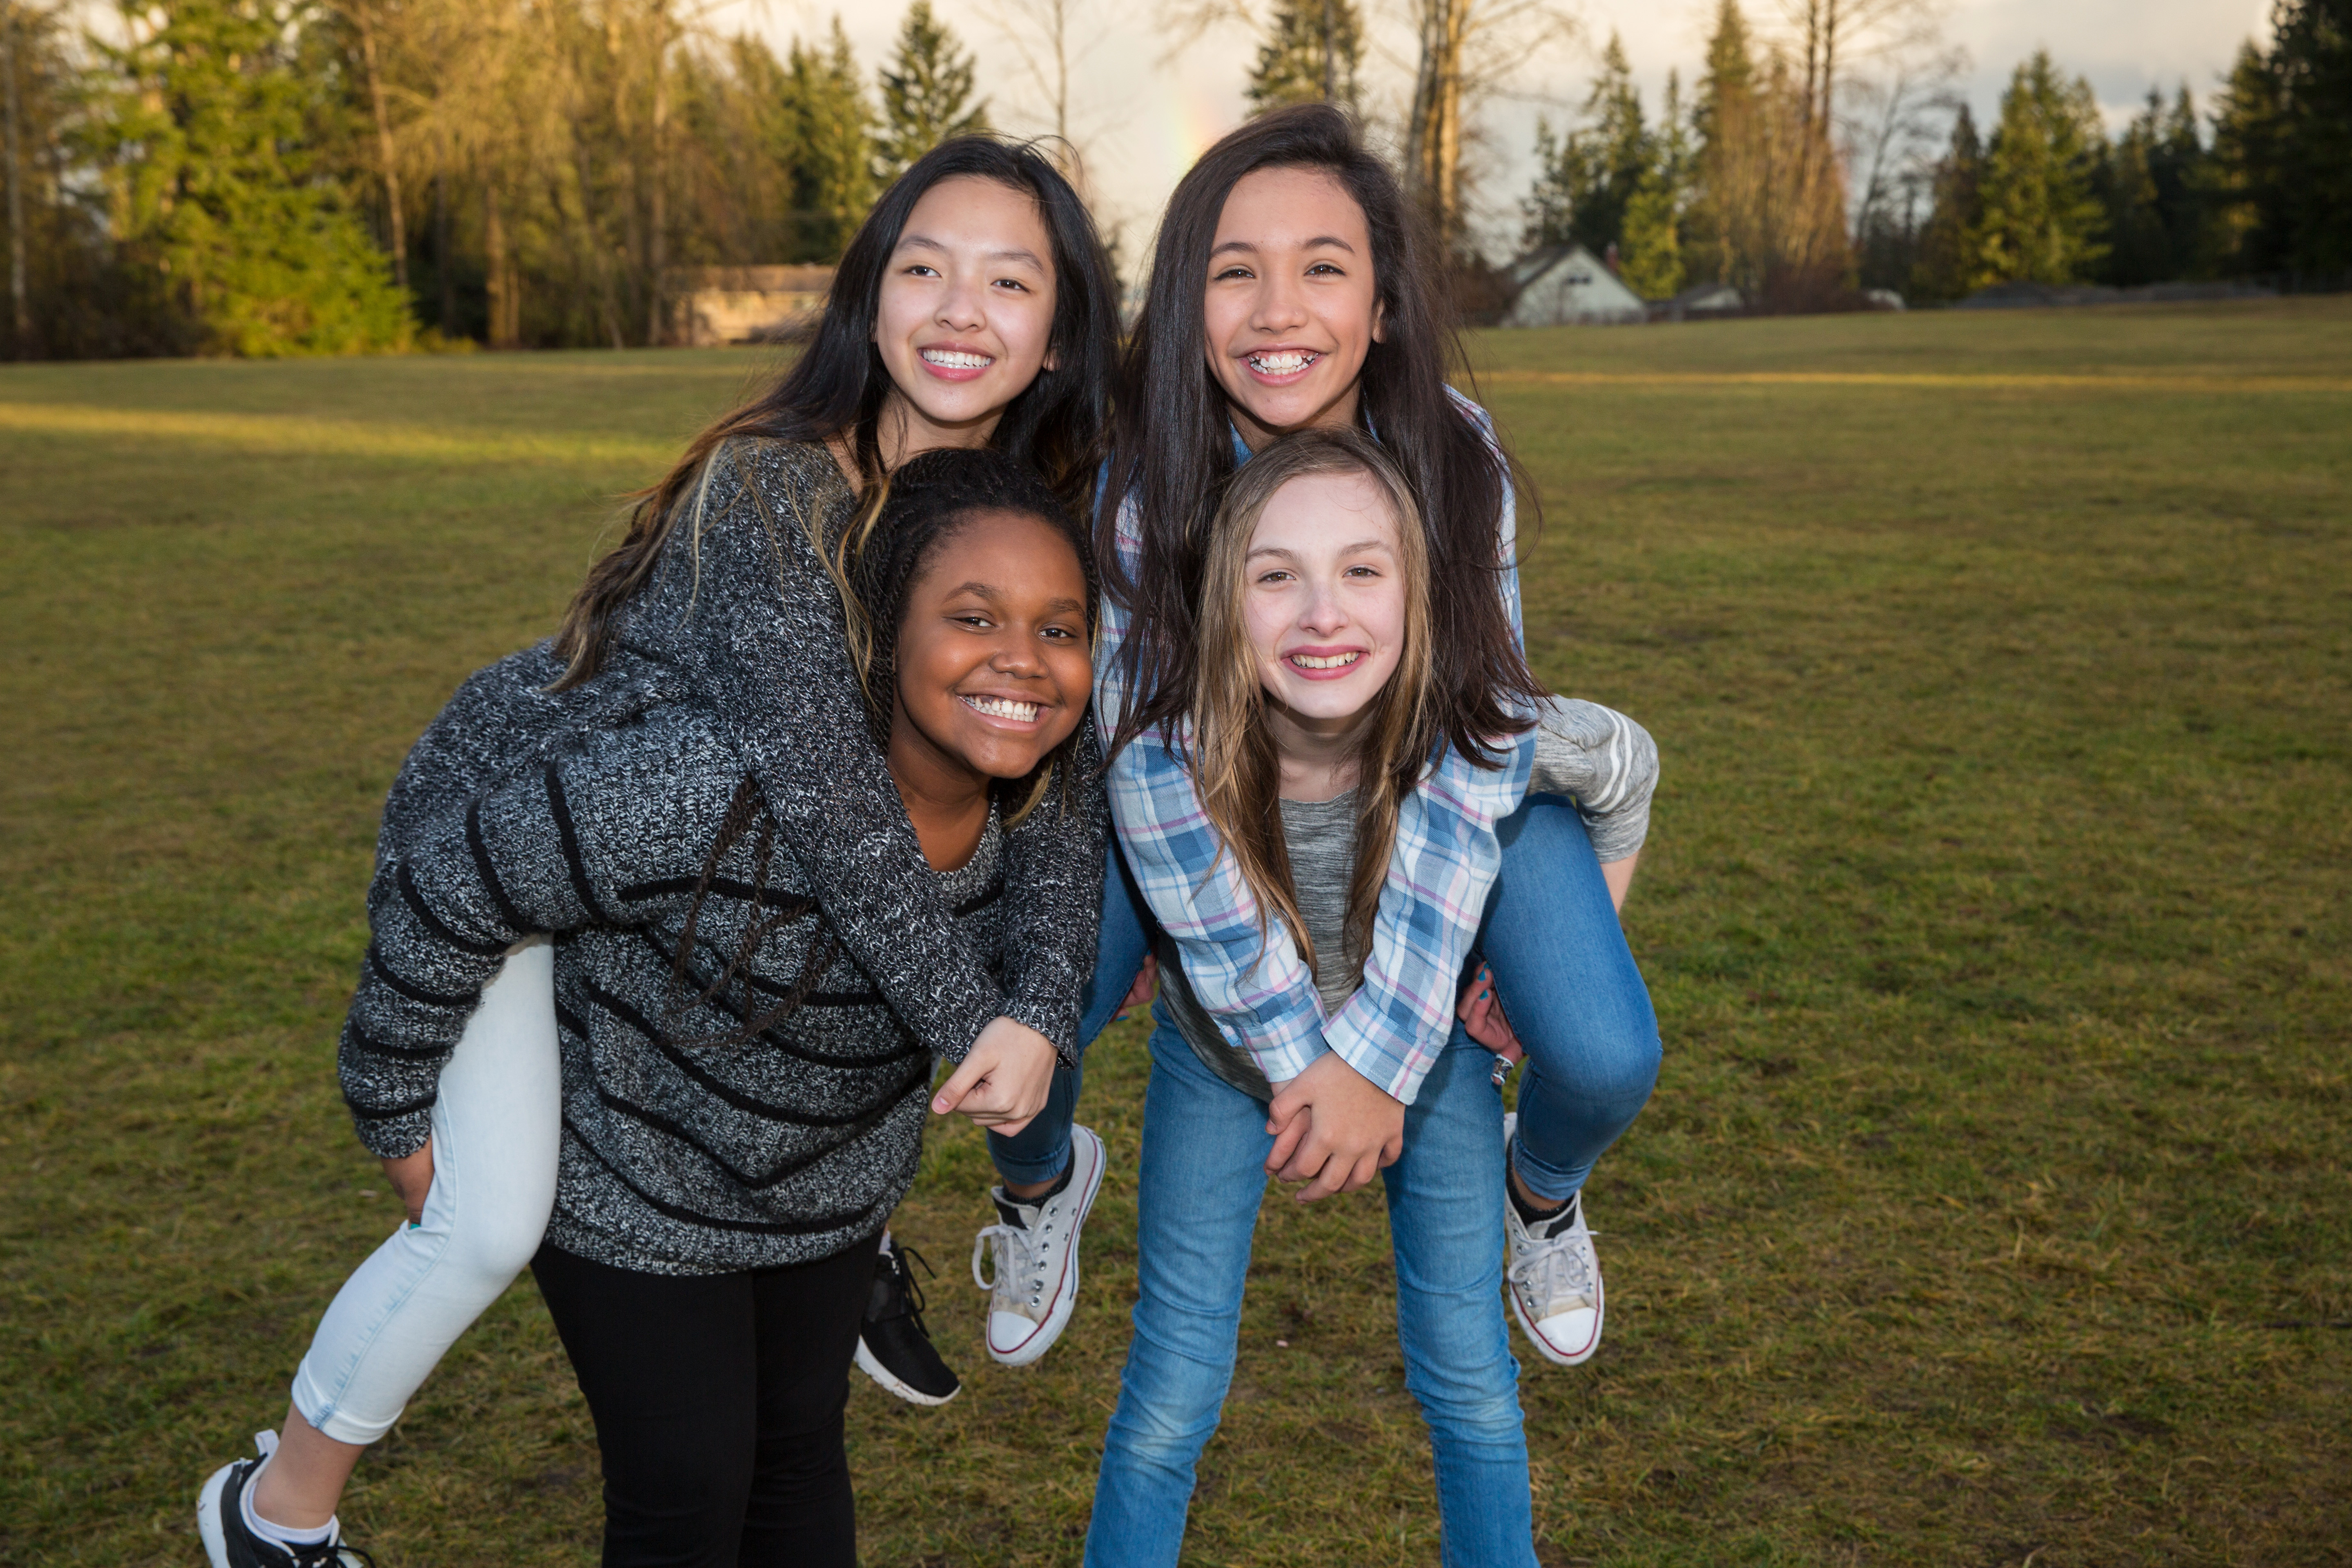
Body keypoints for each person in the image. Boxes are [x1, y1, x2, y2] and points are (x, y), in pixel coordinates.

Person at [197, 137, 1122, 1568]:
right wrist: (973, 1022)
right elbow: (829, 801)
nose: (959, 309)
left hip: (698, 883)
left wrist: (1041, 1014)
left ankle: (839, 1246)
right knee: (489, 1221)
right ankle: (278, 1515)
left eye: (1010, 281)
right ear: (869, 293)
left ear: (1058, 334)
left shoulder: (1026, 513)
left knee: (787, 1440)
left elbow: (1063, 792)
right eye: (924, 268)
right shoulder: (773, 491)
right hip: (534, 842)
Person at [989, 101, 1662, 1393]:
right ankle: (1037, 1188)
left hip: (1438, 774)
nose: (1277, 311)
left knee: (1605, 1051)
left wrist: (1383, 1055)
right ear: (1186, 305)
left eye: (1323, 268)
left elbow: (1470, 741)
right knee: (1031, 1002)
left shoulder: (1455, 457)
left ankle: (1540, 1195)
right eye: (1234, 272)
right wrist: (1301, 1053)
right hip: (1191, 804)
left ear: (1386, 305)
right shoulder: (1146, 482)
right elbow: (1150, 775)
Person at [1086, 430, 1655, 1566]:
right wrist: (1326, 1079)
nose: (1322, 614)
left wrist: (1552, 948)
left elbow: (1624, 762)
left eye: (1362, 570)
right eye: (1275, 576)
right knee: (1170, 1393)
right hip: (1224, 1059)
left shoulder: (1479, 735)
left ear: (1421, 594)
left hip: (1433, 1063)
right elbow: (1231, 964)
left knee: (1469, 1379)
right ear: (1220, 604)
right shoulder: (1167, 754)